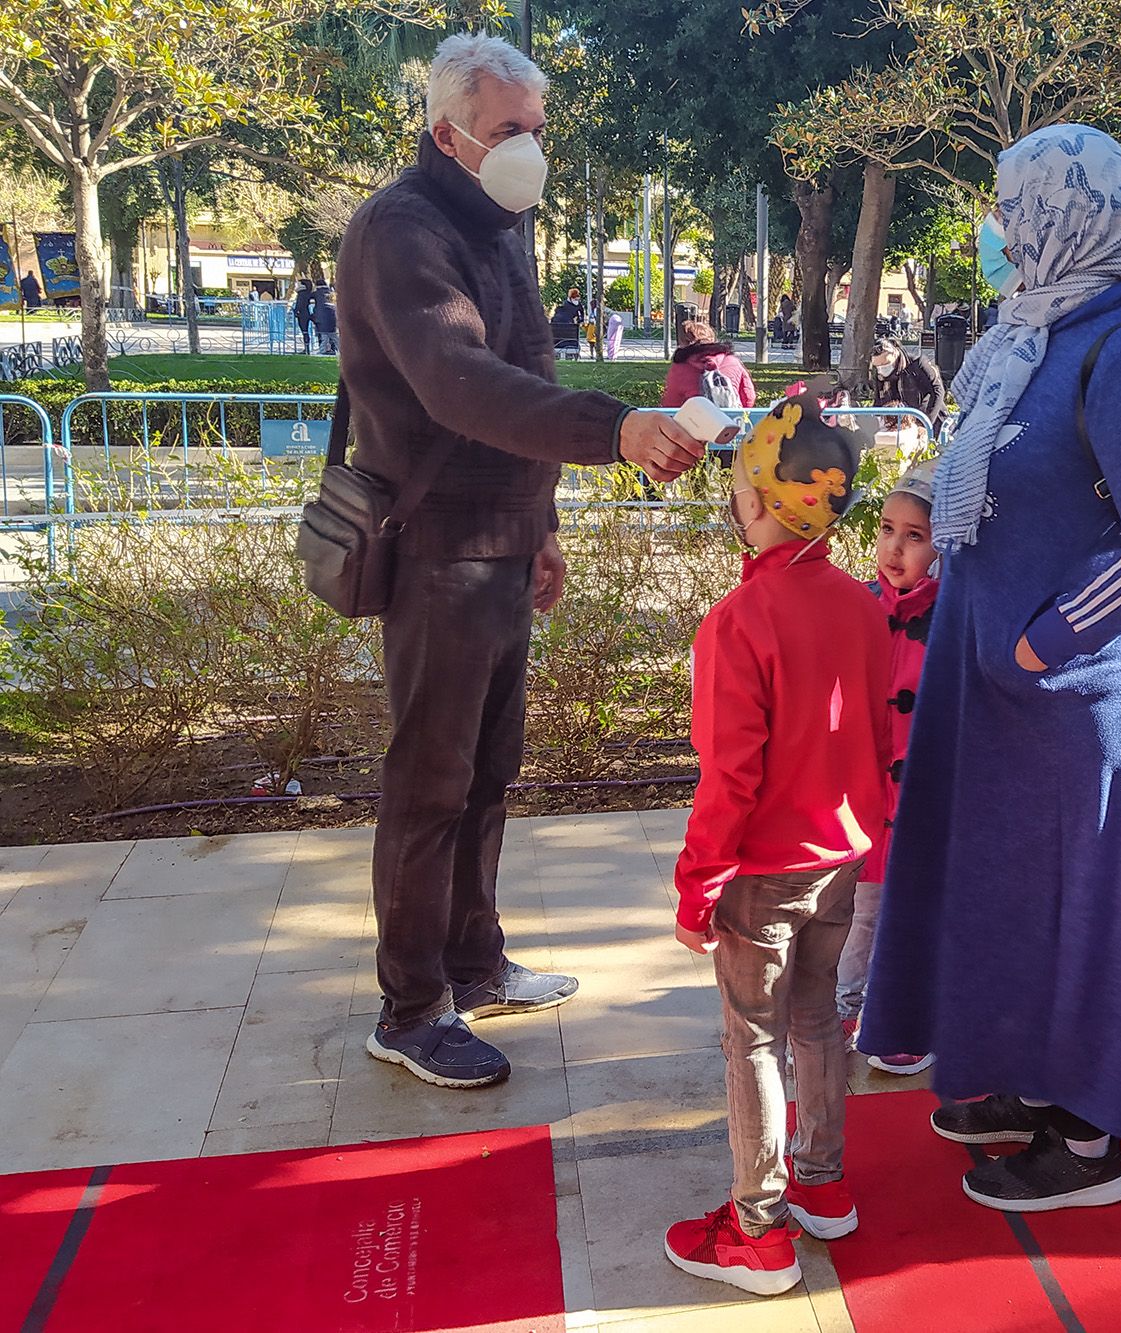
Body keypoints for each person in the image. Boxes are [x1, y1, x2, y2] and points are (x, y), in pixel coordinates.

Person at [341, 34, 704, 1090]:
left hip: (500, 546)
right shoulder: (399, 229)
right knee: (429, 784)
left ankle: (473, 961)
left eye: (538, 133)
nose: (528, 153)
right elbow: (459, 383)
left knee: (488, 774)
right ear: (446, 133)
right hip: (435, 551)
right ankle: (409, 1011)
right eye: (509, 132)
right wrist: (615, 428)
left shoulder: (497, 223)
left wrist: (541, 524)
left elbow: (527, 368)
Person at [861, 124, 1121, 1211]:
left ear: (1067, 217)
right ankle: (1015, 1081)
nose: (996, 230)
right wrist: (926, 493)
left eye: (1012, 210)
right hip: (992, 692)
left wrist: (1044, 638)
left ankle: (1088, 1136)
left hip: (1068, 693)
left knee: (1077, 912)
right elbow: (994, 465)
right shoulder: (1028, 335)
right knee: (1004, 900)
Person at [663, 394, 891, 1297]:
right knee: (816, 1018)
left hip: (762, 872)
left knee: (751, 1038)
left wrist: (697, 886)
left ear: (758, 502)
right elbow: (874, 738)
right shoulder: (863, 607)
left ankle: (756, 1231)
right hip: (840, 857)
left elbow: (730, 778)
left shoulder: (738, 622)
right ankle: (822, 1185)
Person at [836, 459, 940, 1075]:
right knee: (857, 911)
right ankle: (846, 1008)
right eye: (886, 529)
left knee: (911, 910)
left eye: (915, 536)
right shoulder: (858, 605)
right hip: (861, 802)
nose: (895, 548)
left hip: (924, 805)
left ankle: (905, 1014)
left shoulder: (956, 615)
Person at [661, 319, 756, 411]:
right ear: (712, 339)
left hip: (695, 422)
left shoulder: (680, 367)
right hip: (730, 420)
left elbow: (671, 404)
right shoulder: (733, 361)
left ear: (683, 343)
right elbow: (748, 397)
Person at [868, 334, 948, 432]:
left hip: (930, 418)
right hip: (899, 424)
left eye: (885, 364)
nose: (882, 369)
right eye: (878, 366)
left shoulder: (917, 363)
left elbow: (937, 391)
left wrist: (926, 423)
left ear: (894, 353)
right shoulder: (880, 374)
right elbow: (878, 401)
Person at [933, 303, 971, 385]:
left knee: (944, 361)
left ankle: (944, 374)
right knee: (956, 359)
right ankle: (954, 373)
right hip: (959, 340)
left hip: (943, 342)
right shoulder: (961, 321)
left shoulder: (943, 321)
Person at [551, 286, 583, 359]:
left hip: (557, 340)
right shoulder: (569, 306)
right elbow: (581, 317)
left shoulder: (561, 310)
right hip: (571, 337)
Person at [311, 284, 338, 355]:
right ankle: (341, 350)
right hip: (331, 322)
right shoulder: (331, 294)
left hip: (322, 323)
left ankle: (322, 350)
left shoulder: (317, 294)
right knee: (334, 337)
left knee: (324, 337)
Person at [292, 279, 316, 353]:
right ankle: (307, 348)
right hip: (307, 313)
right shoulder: (308, 293)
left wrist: (295, 311)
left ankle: (306, 348)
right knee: (306, 332)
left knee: (304, 331)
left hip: (302, 314)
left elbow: (299, 304)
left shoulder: (301, 293)